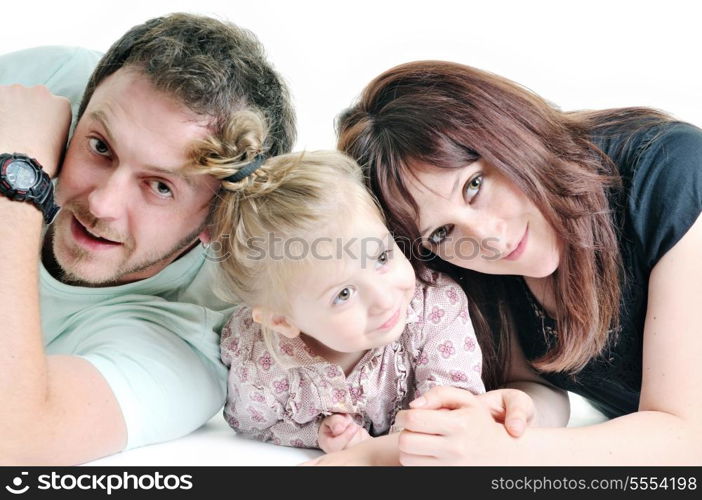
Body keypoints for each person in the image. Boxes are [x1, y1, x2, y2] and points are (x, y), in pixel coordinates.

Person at [332, 60, 702, 465]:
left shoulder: (671, 170)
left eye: (474, 185)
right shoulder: (470, 265)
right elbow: (533, 385)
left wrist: (508, 450)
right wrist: (499, 418)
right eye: (441, 232)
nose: (486, 238)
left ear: (506, 132)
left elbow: (686, 436)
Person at [0, 13, 295, 465]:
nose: (102, 205)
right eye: (100, 147)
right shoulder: (53, 83)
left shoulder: (188, 340)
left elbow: (14, 439)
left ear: (218, 221)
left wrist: (17, 180)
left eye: (160, 186)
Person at [202, 115, 484, 458]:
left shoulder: (434, 310)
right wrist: (316, 432)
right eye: (344, 294)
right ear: (281, 321)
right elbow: (252, 425)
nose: (384, 299)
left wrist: (375, 450)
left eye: (381, 256)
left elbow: (454, 411)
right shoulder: (260, 358)